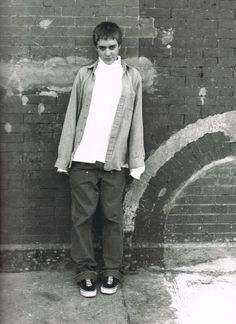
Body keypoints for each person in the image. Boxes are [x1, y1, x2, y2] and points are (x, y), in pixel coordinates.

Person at [55, 21, 145, 298]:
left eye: (112, 47)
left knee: (112, 218)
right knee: (82, 218)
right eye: (102, 47)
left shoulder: (132, 77)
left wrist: (136, 159)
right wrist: (64, 157)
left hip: (114, 162)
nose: (107, 52)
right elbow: (73, 115)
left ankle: (111, 272)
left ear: (120, 46)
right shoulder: (84, 75)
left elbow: (136, 120)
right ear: (96, 47)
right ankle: (85, 273)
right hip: (83, 159)